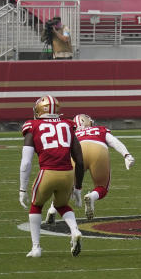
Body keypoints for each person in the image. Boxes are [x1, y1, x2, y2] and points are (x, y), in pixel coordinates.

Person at [19, 95, 85, 258]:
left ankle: (36, 248)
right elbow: (80, 160)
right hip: (68, 173)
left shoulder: (32, 125)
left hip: (47, 172)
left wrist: (22, 188)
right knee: (62, 205)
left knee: (36, 205)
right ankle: (75, 230)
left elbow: (26, 163)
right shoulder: (68, 125)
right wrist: (78, 187)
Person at [46, 113, 135, 223]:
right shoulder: (99, 129)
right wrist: (126, 155)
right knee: (102, 187)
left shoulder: (71, 133)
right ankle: (92, 196)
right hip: (98, 149)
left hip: (77, 151)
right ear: (89, 121)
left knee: (67, 186)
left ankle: (52, 209)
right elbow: (113, 141)